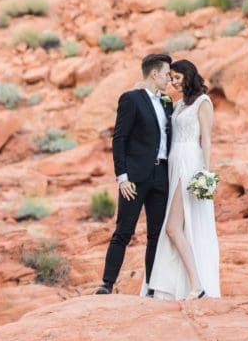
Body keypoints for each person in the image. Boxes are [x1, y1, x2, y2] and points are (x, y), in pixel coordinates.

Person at [94, 53, 173, 296]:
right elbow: (119, 139)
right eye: (167, 74)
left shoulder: (167, 102)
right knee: (123, 231)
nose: (170, 79)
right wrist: (122, 177)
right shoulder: (131, 99)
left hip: (162, 175)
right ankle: (106, 284)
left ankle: (150, 287)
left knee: (156, 235)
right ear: (154, 74)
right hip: (135, 177)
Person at [146, 59, 221, 299]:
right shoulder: (176, 105)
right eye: (172, 78)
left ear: (189, 76)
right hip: (174, 161)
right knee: (177, 227)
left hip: (190, 163)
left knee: (172, 228)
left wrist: (206, 173)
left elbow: (206, 139)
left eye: (178, 78)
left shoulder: (203, 102)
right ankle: (179, 284)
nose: (175, 82)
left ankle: (197, 284)